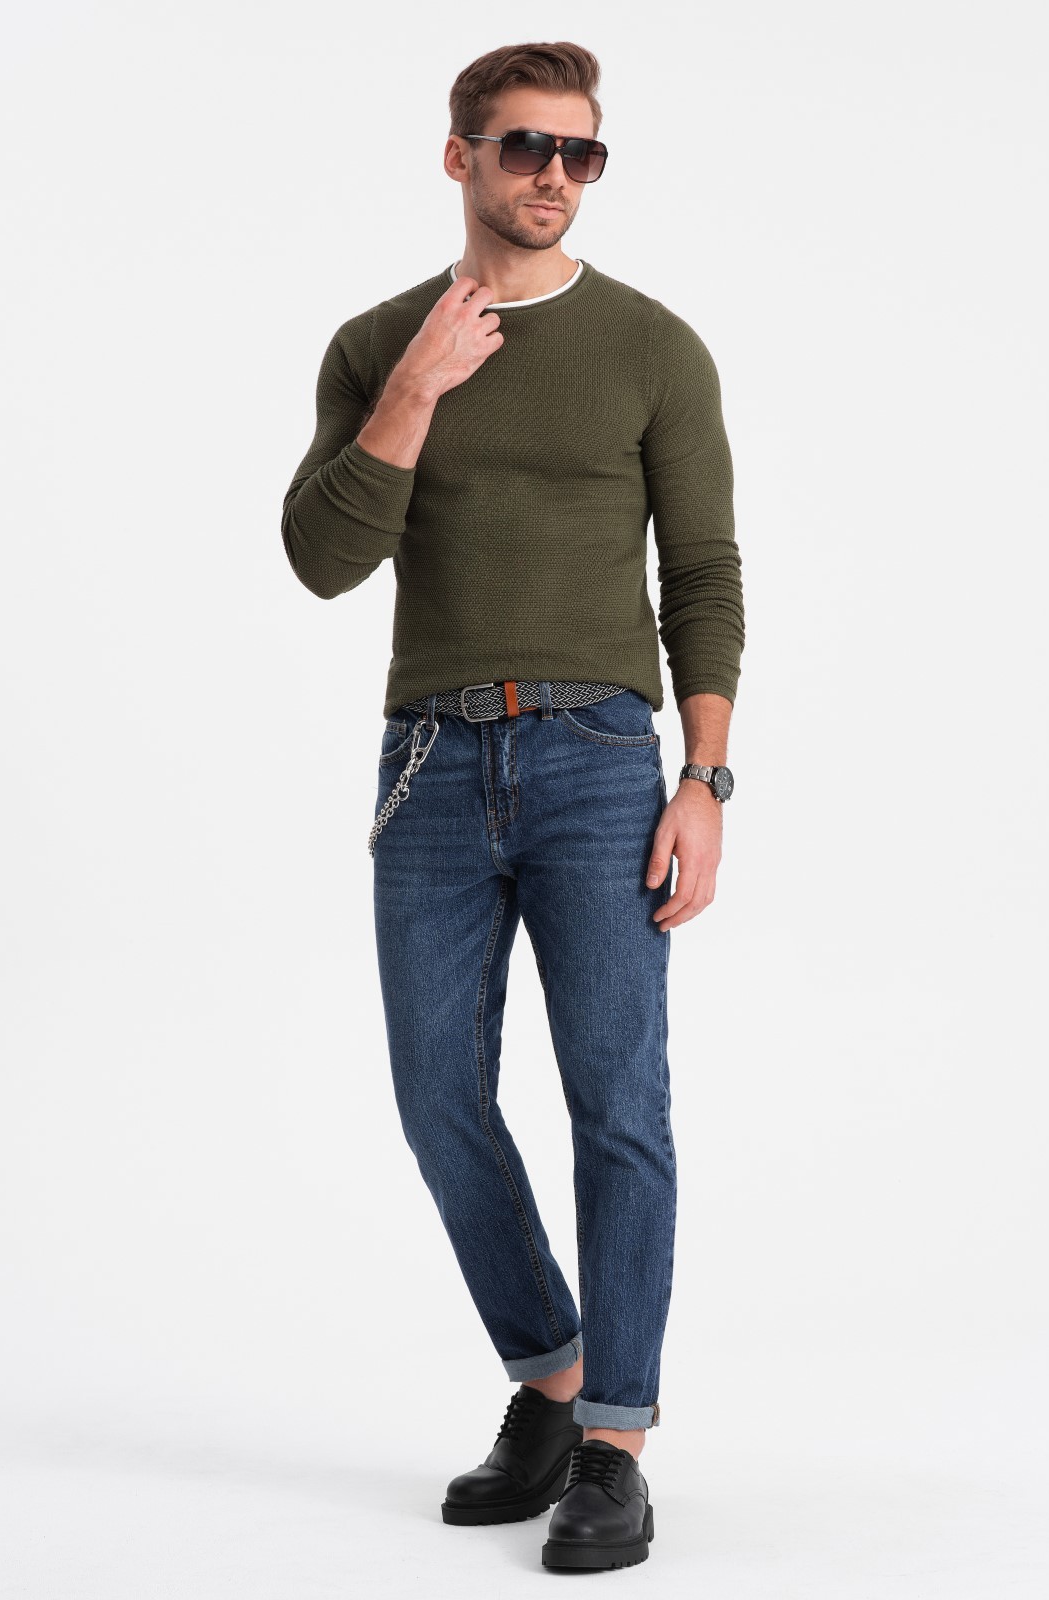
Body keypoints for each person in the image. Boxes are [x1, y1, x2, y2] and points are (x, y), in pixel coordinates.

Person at [280, 39, 744, 1573]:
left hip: (601, 762)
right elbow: (323, 559)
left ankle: (613, 1442)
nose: (554, 173)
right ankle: (549, 1375)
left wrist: (704, 777)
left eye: (579, 152)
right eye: (526, 145)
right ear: (461, 157)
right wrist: (418, 388)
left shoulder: (654, 346)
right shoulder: (376, 344)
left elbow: (703, 575)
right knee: (437, 1098)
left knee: (619, 1104)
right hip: (429, 762)